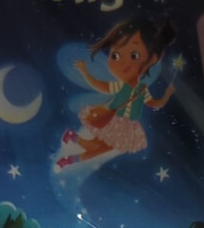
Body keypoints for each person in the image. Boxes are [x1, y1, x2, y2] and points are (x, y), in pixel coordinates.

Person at [59, 17, 176, 165]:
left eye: (134, 55)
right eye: (115, 55)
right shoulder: (124, 87)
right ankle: (70, 155)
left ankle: (72, 145)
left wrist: (167, 94)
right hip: (113, 121)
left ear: (152, 59)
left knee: (99, 147)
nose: (121, 62)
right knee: (100, 148)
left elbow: (155, 103)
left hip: (125, 126)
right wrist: (85, 72)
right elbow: (101, 86)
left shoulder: (141, 89)